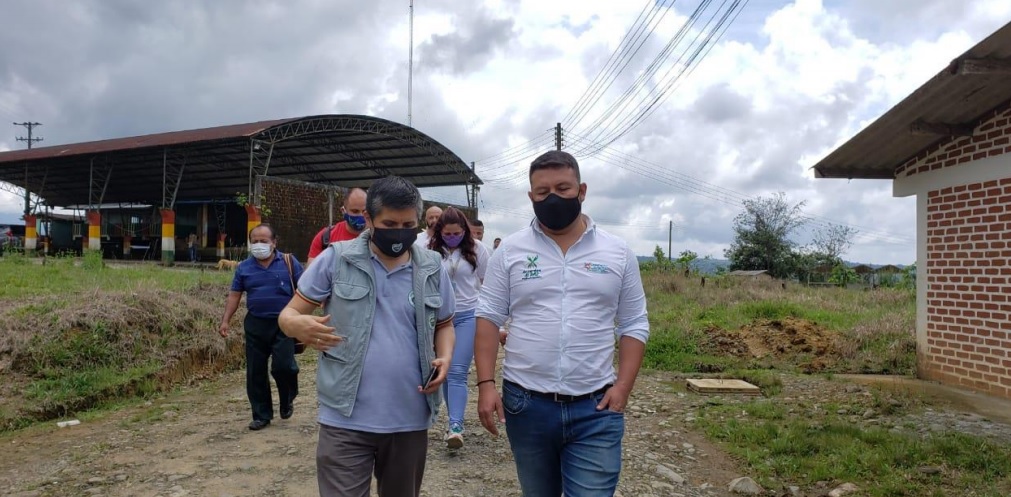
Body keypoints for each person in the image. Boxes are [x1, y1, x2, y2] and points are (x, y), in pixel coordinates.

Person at [474, 150, 650, 496]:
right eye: (542, 192)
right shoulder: (510, 251)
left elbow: (633, 323)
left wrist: (623, 388)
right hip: (526, 405)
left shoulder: (617, 253)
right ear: (531, 197)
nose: (552, 197)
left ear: (581, 191)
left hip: (596, 408)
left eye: (563, 188)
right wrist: (485, 384)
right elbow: (489, 317)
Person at [278, 175, 456, 497]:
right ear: (369, 220)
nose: (399, 232)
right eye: (389, 223)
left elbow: (444, 324)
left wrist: (444, 356)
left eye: (408, 224)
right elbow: (289, 314)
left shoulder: (432, 267)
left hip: (409, 417)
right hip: (345, 417)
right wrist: (296, 325)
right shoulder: (337, 258)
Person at [219, 224, 303, 431]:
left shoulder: (289, 262)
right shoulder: (243, 268)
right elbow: (235, 295)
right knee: (255, 371)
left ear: (274, 242)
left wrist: (303, 319)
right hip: (256, 323)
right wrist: (226, 320)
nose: (259, 245)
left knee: (284, 366)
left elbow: (305, 291)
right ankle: (261, 414)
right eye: (254, 241)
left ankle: (287, 398)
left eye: (263, 241)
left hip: (284, 323)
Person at [427, 207, 488, 450]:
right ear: (440, 232)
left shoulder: (478, 250)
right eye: (448, 233)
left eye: (457, 233)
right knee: (443, 370)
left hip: (467, 315)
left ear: (464, 231)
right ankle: (454, 423)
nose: (453, 237)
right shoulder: (430, 251)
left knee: (458, 371)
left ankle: (455, 426)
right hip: (440, 318)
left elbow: (488, 283)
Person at [307, 187, 368, 266]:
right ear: (343, 211)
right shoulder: (325, 237)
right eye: (355, 211)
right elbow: (311, 273)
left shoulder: (376, 237)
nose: (361, 215)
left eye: (364, 211)